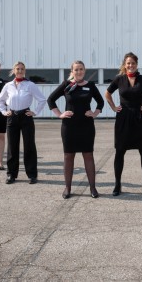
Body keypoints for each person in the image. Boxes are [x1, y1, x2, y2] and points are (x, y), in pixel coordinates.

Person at [104, 52, 142, 196]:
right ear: (125, 65)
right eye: (128, 63)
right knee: (119, 152)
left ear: (137, 65)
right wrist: (113, 107)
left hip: (140, 118)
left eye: (133, 63)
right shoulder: (119, 79)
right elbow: (107, 93)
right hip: (123, 119)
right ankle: (117, 185)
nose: (131, 66)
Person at [48, 61, 104, 198]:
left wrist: (95, 113)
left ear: (84, 71)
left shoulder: (90, 86)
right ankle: (67, 188)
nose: (79, 72)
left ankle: (92, 188)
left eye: (81, 69)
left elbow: (100, 102)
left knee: (88, 155)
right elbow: (50, 99)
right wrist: (60, 114)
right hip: (69, 127)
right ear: (72, 71)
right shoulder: (66, 85)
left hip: (86, 126)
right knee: (68, 156)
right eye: (76, 70)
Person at [0, 61, 47, 184]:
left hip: (26, 116)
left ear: (25, 71)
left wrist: (34, 112)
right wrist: (4, 112)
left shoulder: (30, 85)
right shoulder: (8, 85)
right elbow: (0, 100)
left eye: (22, 69)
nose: (19, 71)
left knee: (29, 145)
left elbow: (42, 99)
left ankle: (32, 175)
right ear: (13, 70)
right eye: (17, 69)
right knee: (12, 147)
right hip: (12, 117)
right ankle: (11, 175)